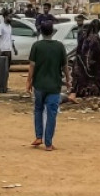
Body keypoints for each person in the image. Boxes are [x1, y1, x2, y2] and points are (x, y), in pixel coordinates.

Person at [27, 21, 70, 151]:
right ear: (52, 32)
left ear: (41, 32)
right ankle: (49, 143)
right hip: (54, 86)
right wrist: (68, 80)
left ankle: (38, 136)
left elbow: (31, 66)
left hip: (39, 85)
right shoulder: (59, 46)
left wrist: (28, 82)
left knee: (38, 110)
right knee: (51, 114)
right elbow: (65, 67)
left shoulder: (36, 46)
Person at [70, 19, 100, 99]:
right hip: (88, 64)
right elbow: (89, 53)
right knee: (99, 78)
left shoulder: (84, 35)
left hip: (79, 63)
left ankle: (81, 94)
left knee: (79, 82)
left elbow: (78, 49)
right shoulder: (94, 37)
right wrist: (88, 66)